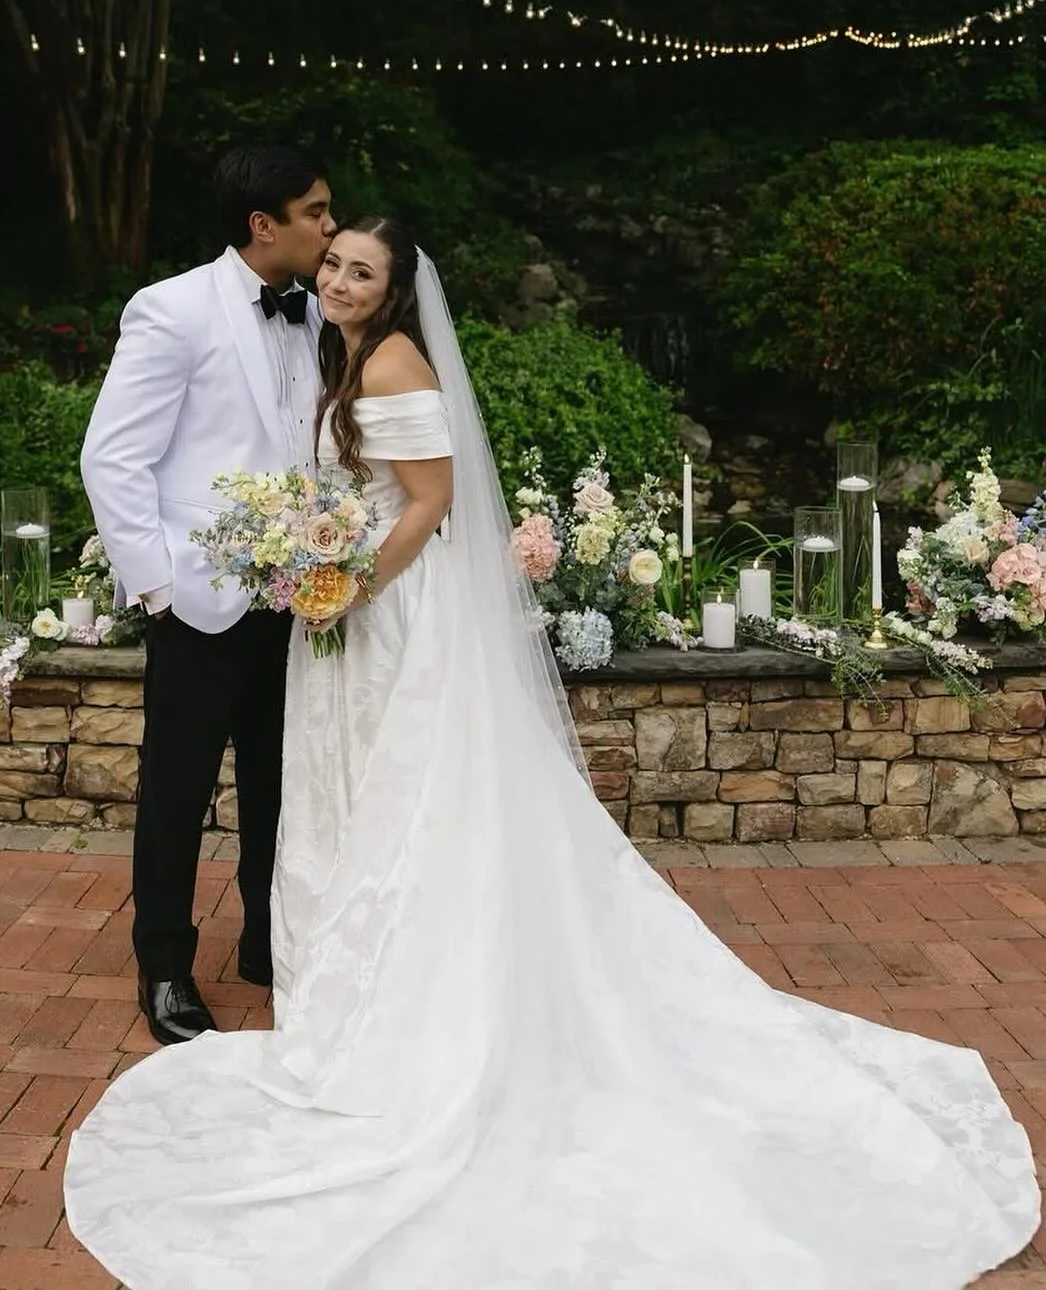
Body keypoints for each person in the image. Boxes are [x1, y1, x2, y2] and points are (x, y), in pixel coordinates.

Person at [66, 217, 1039, 1288]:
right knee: (359, 793)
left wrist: (345, 584)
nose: (338, 278)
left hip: (393, 615)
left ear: (396, 291)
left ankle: (425, 993)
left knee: (414, 793)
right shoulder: (329, 346)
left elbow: (430, 502)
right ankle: (349, 971)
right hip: (338, 614)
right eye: (333, 259)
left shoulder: (388, 359)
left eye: (360, 269)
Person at [79, 145, 334, 1046]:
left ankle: (265, 942)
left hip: (297, 598)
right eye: (315, 212)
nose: (329, 227)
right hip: (197, 597)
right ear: (264, 225)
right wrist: (158, 586)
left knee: (279, 782)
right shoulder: (173, 309)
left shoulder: (314, 315)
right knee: (177, 789)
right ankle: (165, 967)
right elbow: (112, 457)